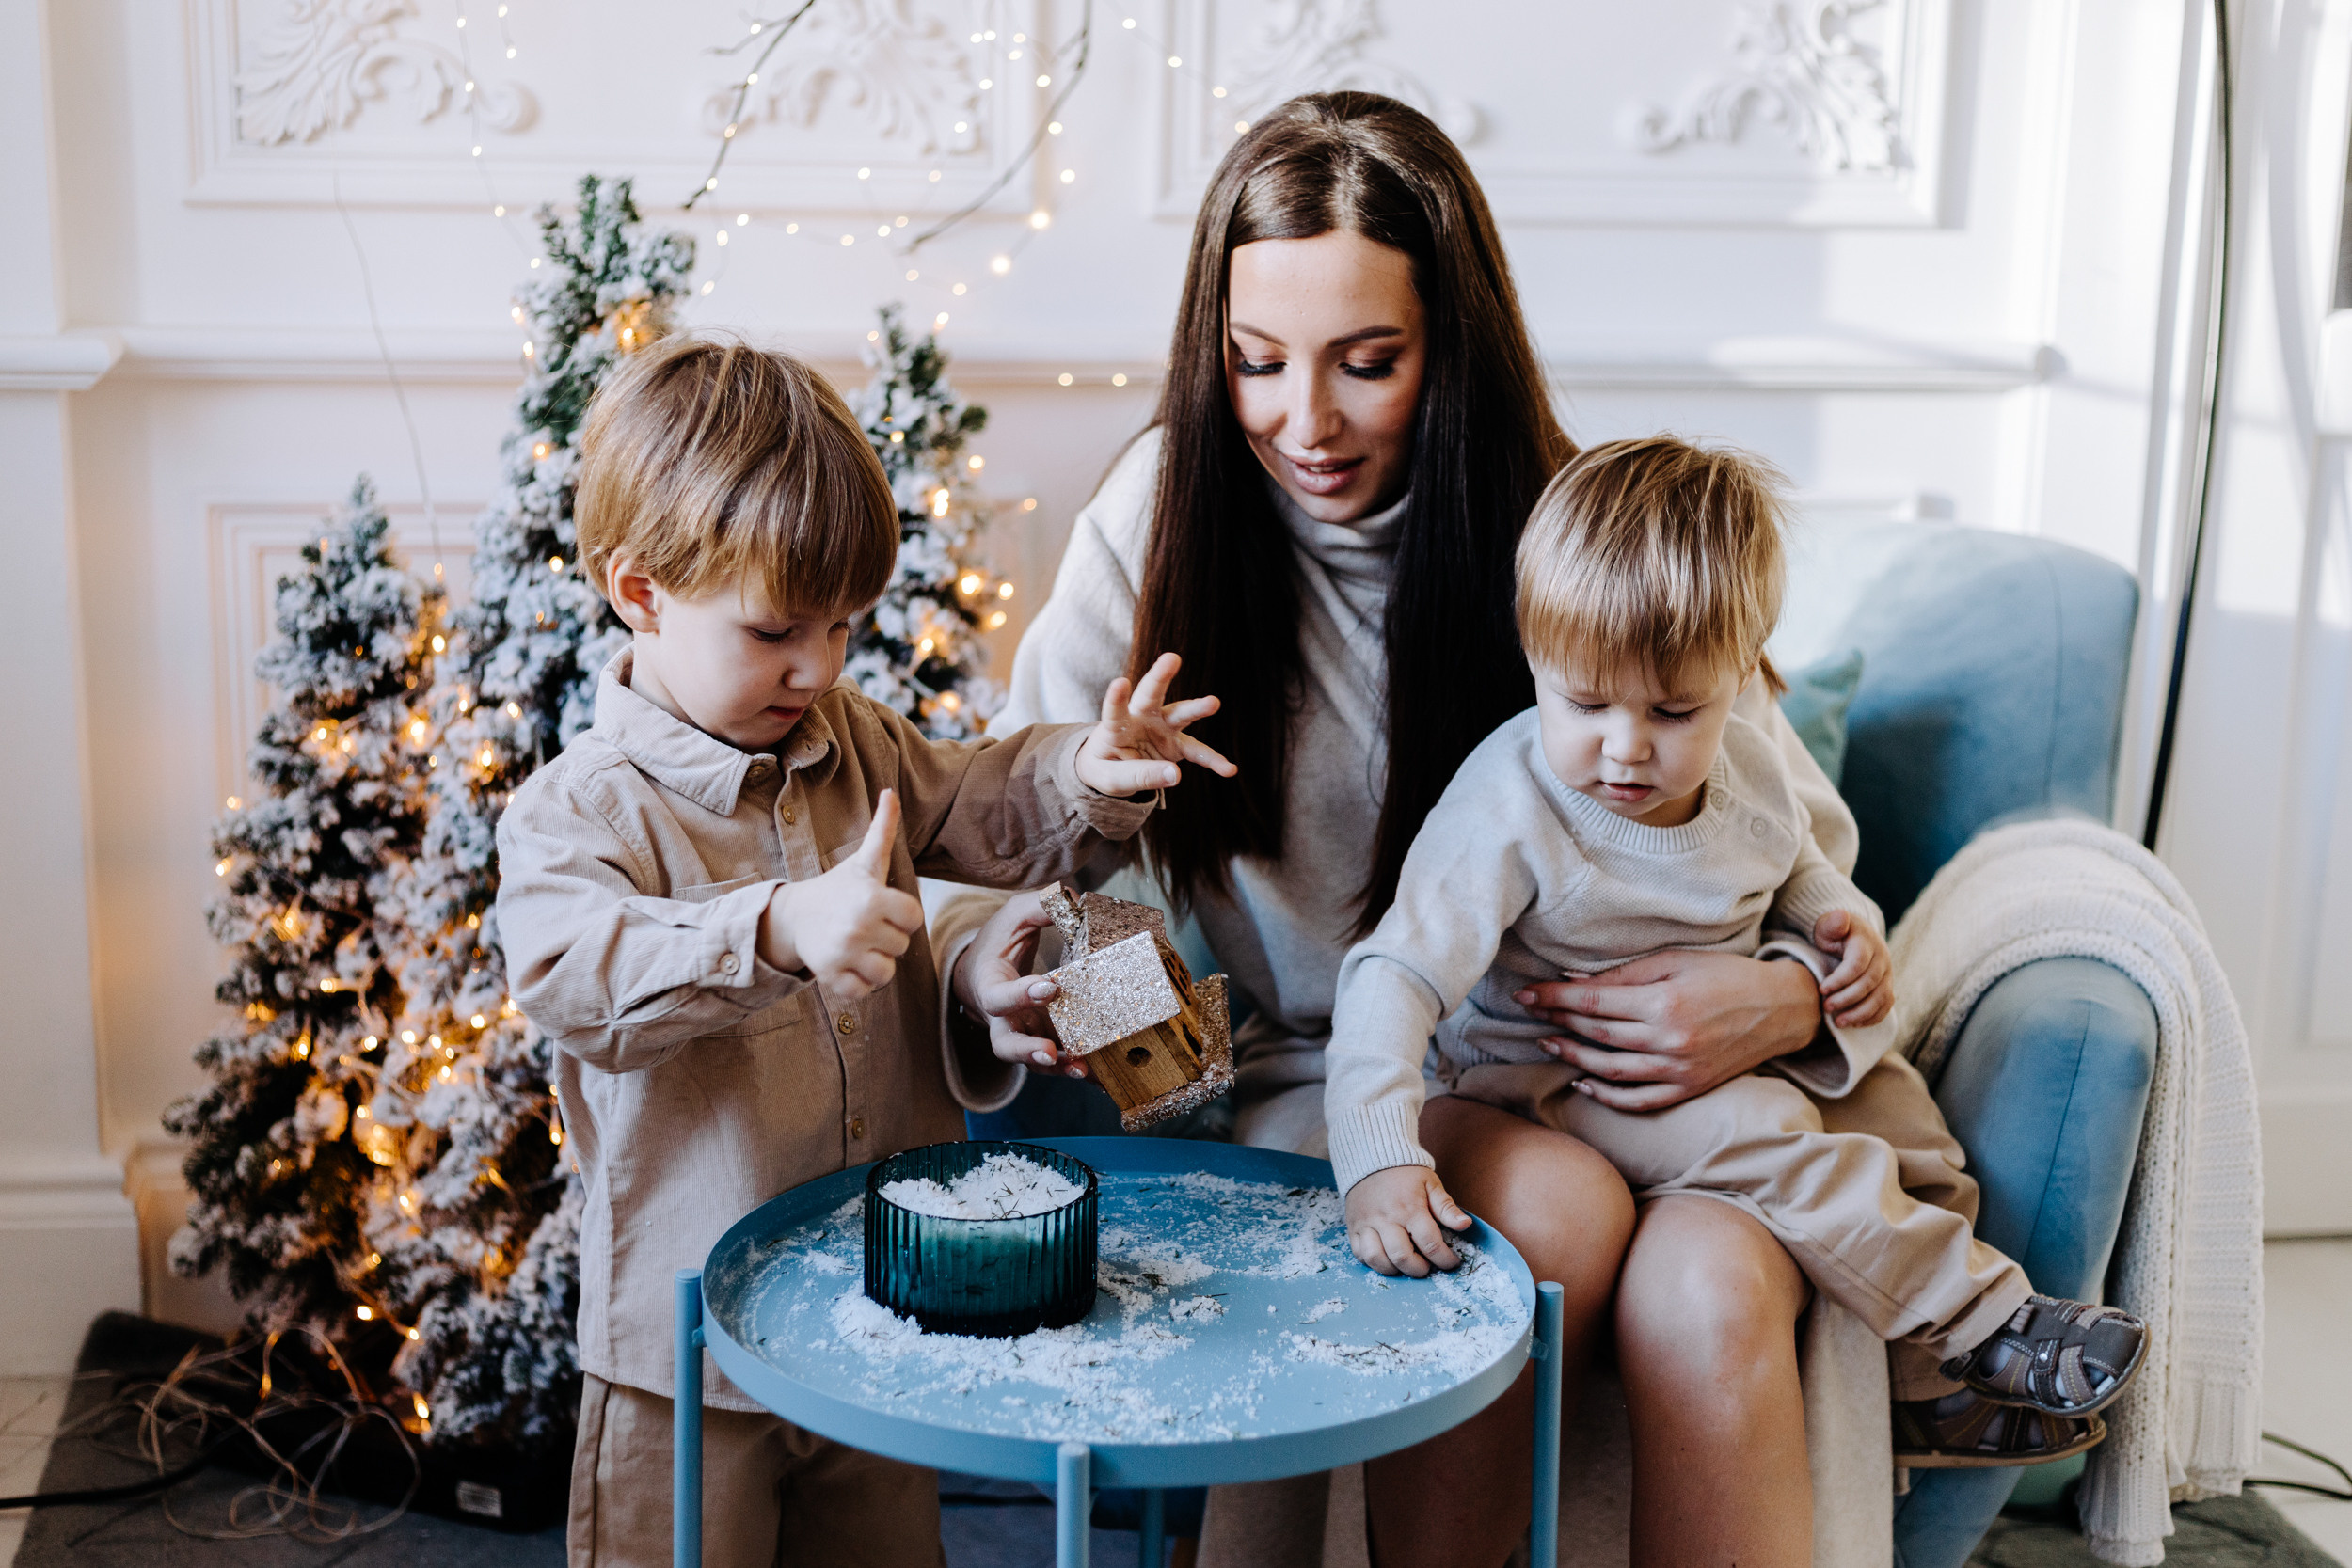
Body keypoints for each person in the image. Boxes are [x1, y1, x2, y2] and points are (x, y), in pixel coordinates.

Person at [930, 92, 1840, 1567]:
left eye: (1369, 363)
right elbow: (1011, 863)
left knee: (1709, 1274)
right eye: (1256, 362)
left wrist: (1787, 991)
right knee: (1542, 1210)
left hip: (1612, 1069)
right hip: (1326, 1072)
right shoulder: (1157, 517)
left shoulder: (1569, 521)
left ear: (1452, 345)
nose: (1306, 421)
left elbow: (1791, 823)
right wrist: (1144, 1044)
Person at [494, 334, 1233, 1568]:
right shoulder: (577, 811)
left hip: (873, 1316)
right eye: (778, 627)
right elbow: (578, 979)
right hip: (686, 1358)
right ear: (639, 590)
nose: (819, 665)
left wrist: (1088, 773)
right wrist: (776, 928)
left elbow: (986, 805)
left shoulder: (855, 740)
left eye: (843, 625)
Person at [1328, 436, 2147, 1456]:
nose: (1626, 746)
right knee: (1764, 1124)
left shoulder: (1750, 757)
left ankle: (1929, 1390)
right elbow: (1393, 970)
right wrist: (1375, 1156)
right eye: (1584, 702)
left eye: (1675, 710)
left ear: (1742, 673)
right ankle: (1982, 1315)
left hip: (1719, 1039)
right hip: (1549, 1073)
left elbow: (1785, 857)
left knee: (1902, 1116)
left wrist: (1833, 930)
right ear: (1533, 655)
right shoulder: (1507, 804)